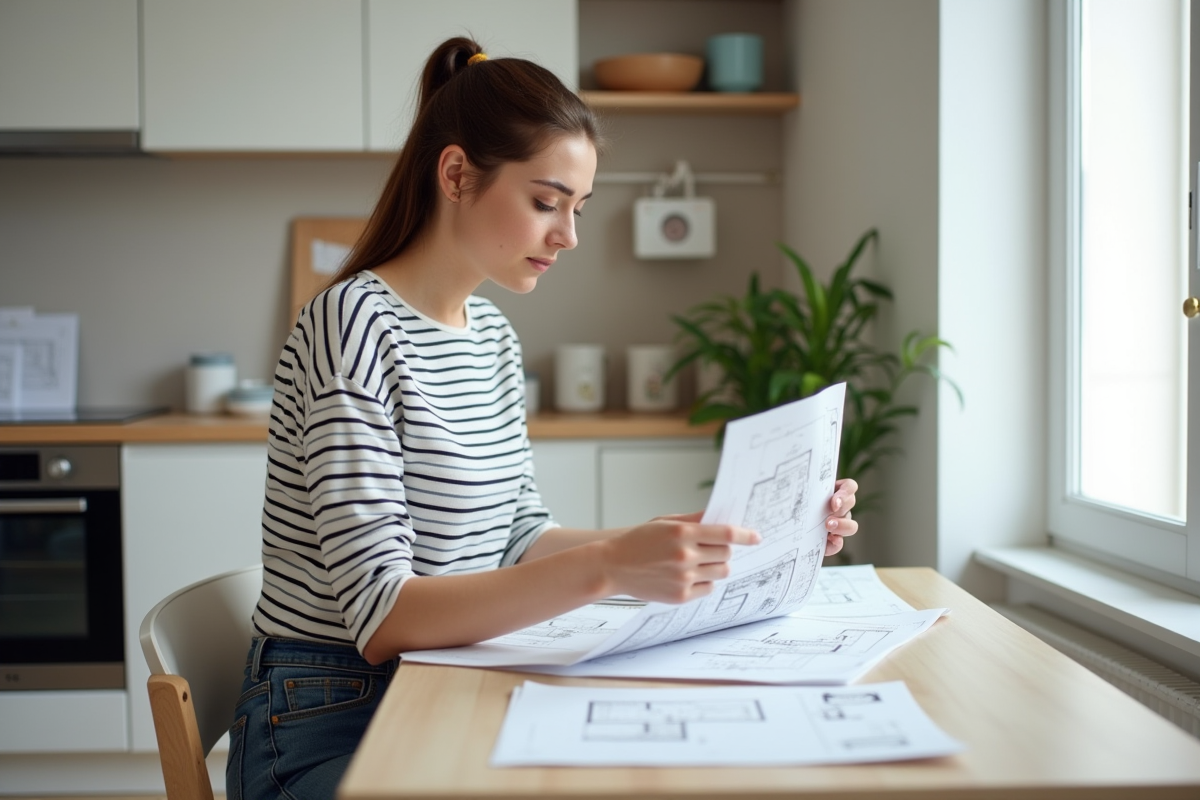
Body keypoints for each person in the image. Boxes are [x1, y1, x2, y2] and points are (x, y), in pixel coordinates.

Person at [227, 36, 859, 800]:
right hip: (331, 713)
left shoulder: (490, 335)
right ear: (456, 174)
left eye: (577, 208)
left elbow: (519, 535)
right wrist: (608, 567)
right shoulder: (353, 324)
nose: (569, 235)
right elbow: (383, 615)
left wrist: (710, 537)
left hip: (442, 679)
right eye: (545, 202)